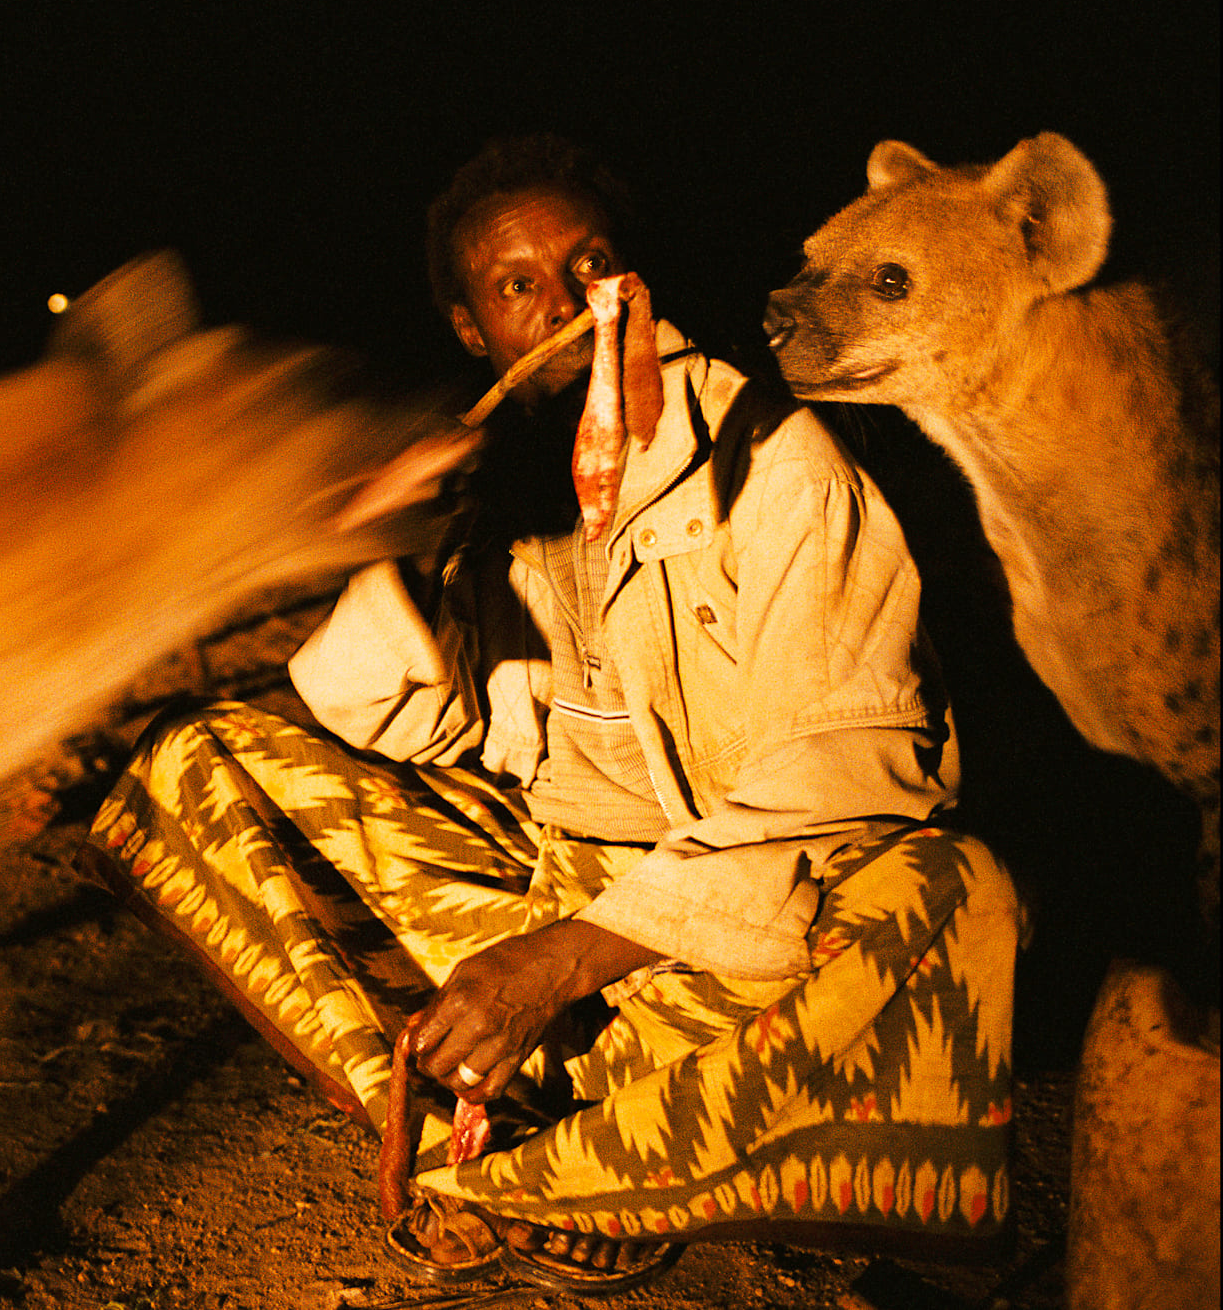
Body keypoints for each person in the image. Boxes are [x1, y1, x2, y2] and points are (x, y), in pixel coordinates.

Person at [78, 135, 1018, 1294]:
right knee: (204, 756)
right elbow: (424, 731)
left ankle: (536, 1162)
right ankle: (526, 1125)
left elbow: (856, 760)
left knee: (948, 891)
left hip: (708, 928)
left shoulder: (772, 463)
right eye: (517, 285)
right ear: (473, 329)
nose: (571, 302)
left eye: (591, 263)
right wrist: (398, 552)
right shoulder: (503, 483)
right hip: (544, 885)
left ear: (635, 278)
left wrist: (565, 960)